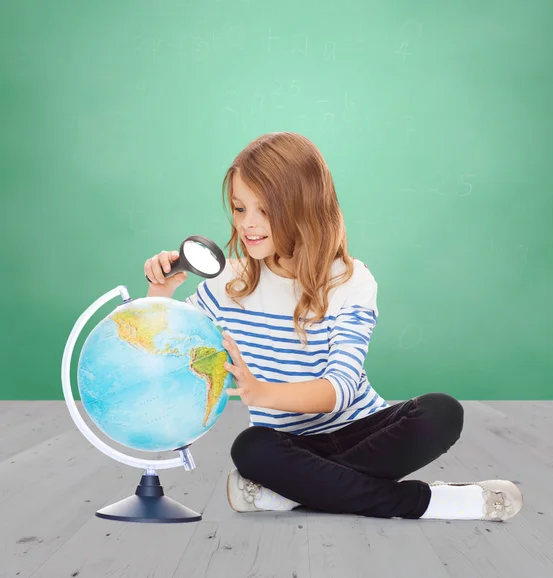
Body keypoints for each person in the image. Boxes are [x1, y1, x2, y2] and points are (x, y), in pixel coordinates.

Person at [144, 132, 523, 522]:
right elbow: (163, 347)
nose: (248, 225)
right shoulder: (228, 283)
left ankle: (292, 493)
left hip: (363, 432)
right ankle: (427, 503)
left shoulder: (351, 280)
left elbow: (339, 391)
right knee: (250, 447)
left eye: (266, 210)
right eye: (240, 209)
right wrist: (161, 291)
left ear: (303, 207)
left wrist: (260, 393)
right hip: (288, 447)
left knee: (441, 412)